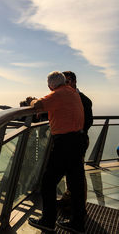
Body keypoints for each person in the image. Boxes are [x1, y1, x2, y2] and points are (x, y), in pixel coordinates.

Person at [28, 71, 86, 233]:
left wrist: (32, 100)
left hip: (65, 144)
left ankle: (47, 221)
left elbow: (37, 105)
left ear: (50, 86)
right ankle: (77, 223)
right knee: (76, 185)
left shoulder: (57, 94)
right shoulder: (73, 92)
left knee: (48, 182)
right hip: (78, 141)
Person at [58, 71, 93, 211]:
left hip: (78, 141)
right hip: (69, 141)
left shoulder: (84, 100)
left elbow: (88, 121)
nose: (63, 86)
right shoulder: (65, 98)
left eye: (66, 82)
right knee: (70, 172)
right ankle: (68, 198)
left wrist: (75, 134)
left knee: (77, 174)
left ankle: (79, 206)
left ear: (73, 82)